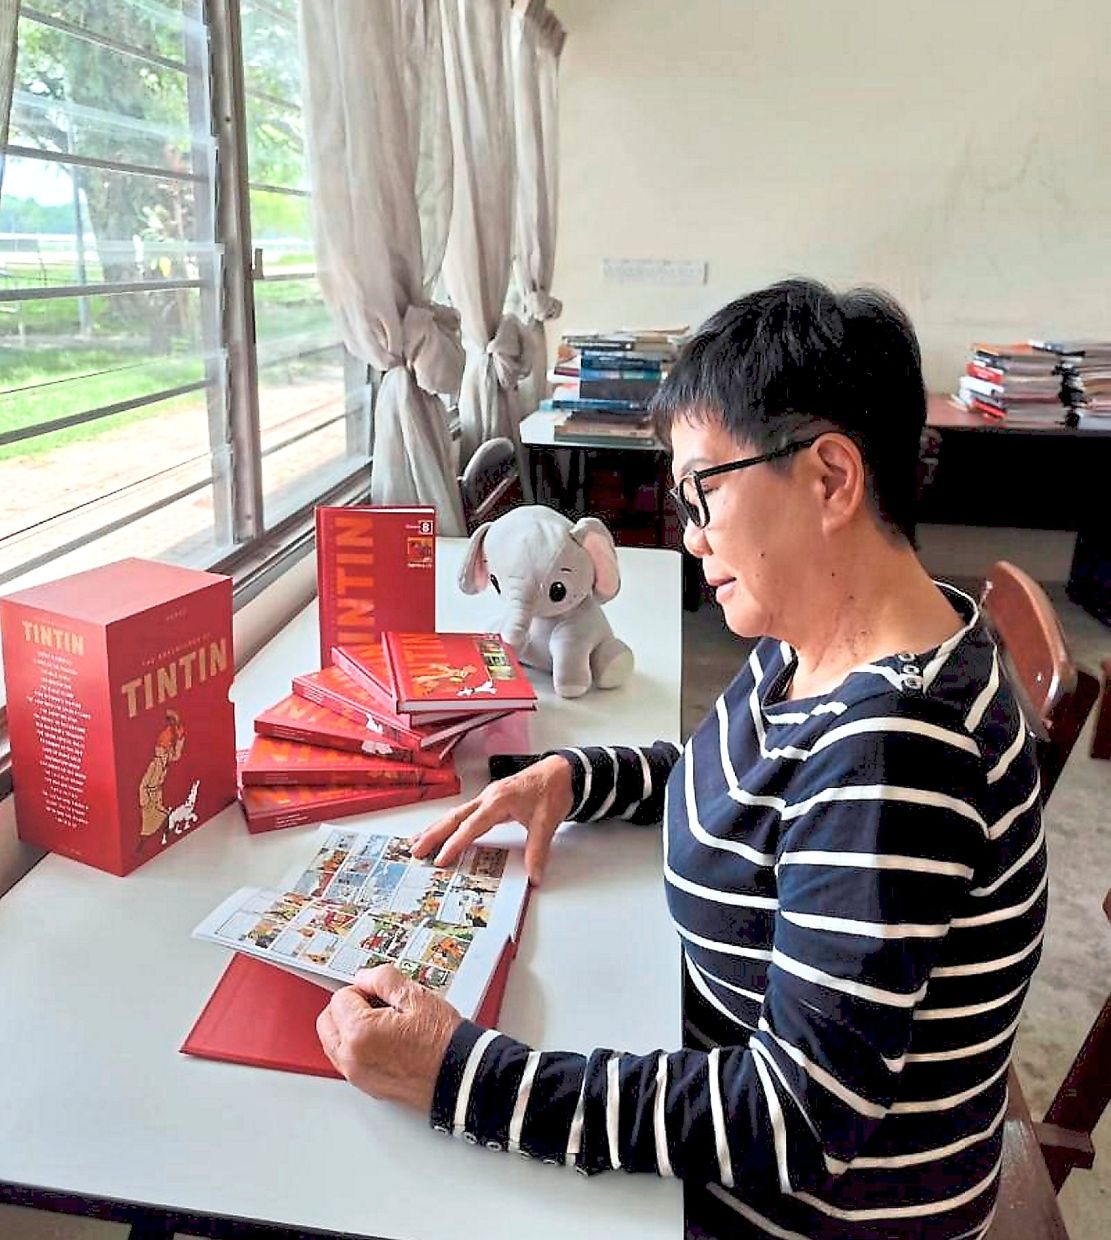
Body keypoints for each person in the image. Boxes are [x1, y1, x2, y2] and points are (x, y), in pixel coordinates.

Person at [315, 279, 1045, 1240]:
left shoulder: (896, 752)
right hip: (713, 1059)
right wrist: (575, 777)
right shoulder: (837, 631)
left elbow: (794, 1120)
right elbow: (747, 781)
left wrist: (459, 1076)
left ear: (830, 479)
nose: (690, 533)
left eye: (704, 489)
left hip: (806, 1212)